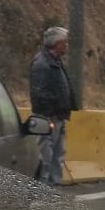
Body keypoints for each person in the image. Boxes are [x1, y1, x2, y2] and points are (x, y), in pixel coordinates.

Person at [30, 26, 76, 186]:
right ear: (56, 43)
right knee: (46, 154)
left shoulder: (55, 61)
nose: (66, 46)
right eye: (64, 42)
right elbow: (39, 93)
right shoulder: (42, 64)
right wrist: (53, 108)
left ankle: (54, 184)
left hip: (58, 116)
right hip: (48, 116)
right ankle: (43, 185)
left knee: (58, 152)